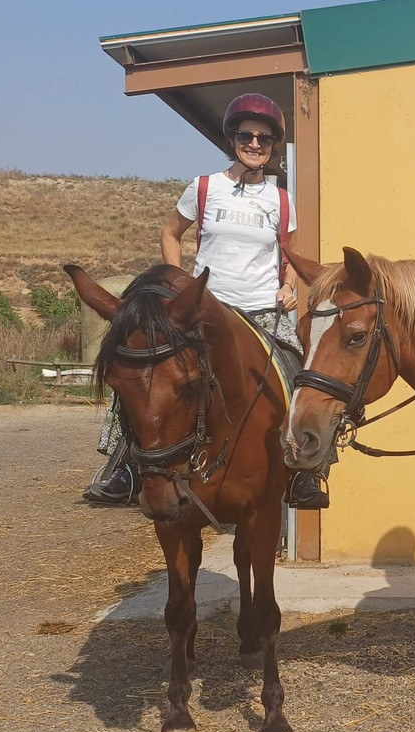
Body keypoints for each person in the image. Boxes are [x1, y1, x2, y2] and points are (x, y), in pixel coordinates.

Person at [85, 92, 326, 509]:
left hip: (260, 311)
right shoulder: (203, 188)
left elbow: (290, 254)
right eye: (246, 135)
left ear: (272, 147)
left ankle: (308, 473)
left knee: (305, 369)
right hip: (204, 310)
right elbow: (170, 233)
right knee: (143, 369)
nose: (255, 144)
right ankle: (123, 465)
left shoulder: (281, 199)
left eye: (264, 139)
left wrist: (289, 286)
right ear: (232, 138)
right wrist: (179, 279)